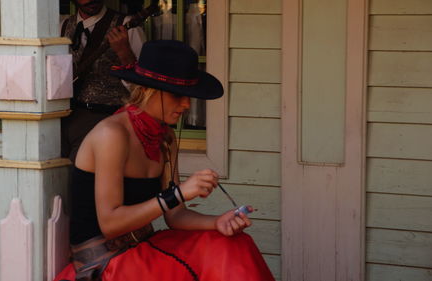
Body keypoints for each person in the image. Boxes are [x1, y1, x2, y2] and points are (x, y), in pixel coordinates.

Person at [54, 40, 275, 281]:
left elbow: (176, 215)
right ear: (150, 90)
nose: (187, 105)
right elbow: (110, 223)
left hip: (144, 249)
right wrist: (178, 194)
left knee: (234, 244)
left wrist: (218, 222)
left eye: (189, 96)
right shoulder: (112, 135)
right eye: (178, 95)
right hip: (103, 263)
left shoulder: (165, 137)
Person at [61, 0, 146, 162]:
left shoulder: (127, 25)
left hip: (104, 118)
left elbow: (144, 87)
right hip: (64, 118)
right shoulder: (64, 25)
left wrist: (124, 52)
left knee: (80, 179)